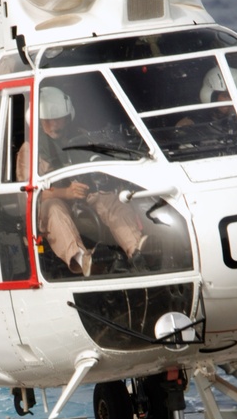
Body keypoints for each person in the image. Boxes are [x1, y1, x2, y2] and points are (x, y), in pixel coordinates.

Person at [15, 86, 145, 277]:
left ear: (68, 117)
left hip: (85, 197)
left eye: (58, 118)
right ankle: (82, 260)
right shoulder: (29, 150)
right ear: (37, 121)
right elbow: (28, 193)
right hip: (53, 205)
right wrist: (65, 193)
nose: (53, 125)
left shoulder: (81, 137)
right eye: (47, 120)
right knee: (53, 208)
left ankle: (137, 251)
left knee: (110, 200)